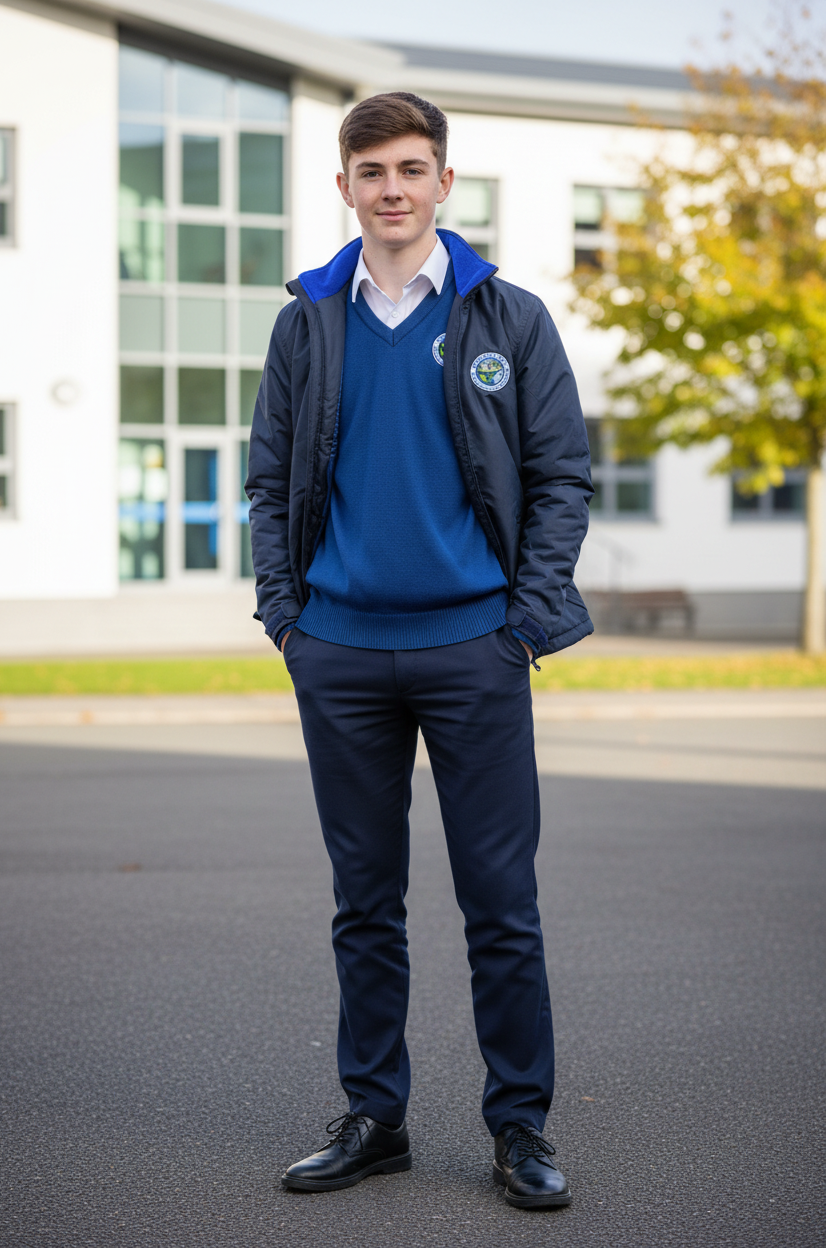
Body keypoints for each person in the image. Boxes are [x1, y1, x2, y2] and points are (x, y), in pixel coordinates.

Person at [245, 91, 592, 1210]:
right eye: (371, 171)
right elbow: (267, 484)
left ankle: (520, 1126)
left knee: (501, 906)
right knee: (364, 905)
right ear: (343, 187)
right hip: (339, 653)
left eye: (410, 168)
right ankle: (374, 1118)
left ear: (445, 181)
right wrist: (288, 621)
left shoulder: (509, 318)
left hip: (474, 648)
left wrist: (522, 624)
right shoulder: (308, 322)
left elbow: (561, 479)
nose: (390, 188)